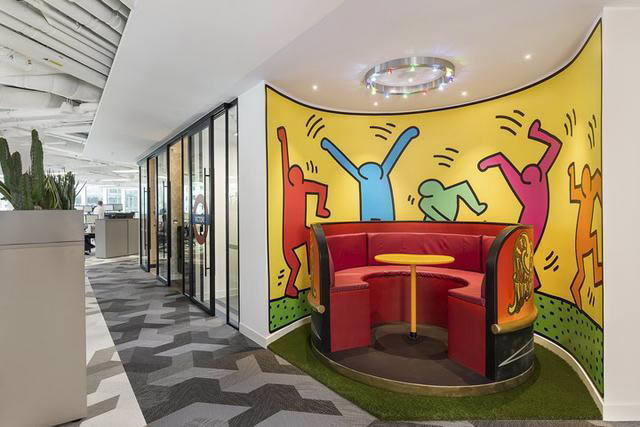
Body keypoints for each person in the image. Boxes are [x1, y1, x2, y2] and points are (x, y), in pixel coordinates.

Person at [321, 126, 419, 221]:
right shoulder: (380, 173)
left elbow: (345, 162)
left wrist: (329, 146)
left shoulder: (366, 177)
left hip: (378, 219)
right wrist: (408, 135)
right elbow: (395, 152)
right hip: (375, 219)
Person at [277, 127, 331, 298]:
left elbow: (323, 188)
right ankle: (290, 287)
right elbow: (285, 160)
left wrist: (320, 209)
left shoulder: (302, 186)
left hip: (298, 231)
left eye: (298, 173)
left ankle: (311, 273)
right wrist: (283, 141)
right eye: (293, 174)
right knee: (295, 265)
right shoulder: (289, 186)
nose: (296, 175)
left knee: (311, 239)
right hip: (288, 237)